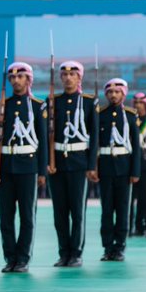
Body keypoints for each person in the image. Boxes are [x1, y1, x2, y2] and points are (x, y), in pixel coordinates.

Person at [0, 62, 48, 274]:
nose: (16, 81)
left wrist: (42, 171)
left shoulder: (37, 106)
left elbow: (42, 141)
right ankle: (10, 257)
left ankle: (22, 258)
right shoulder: (3, 105)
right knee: (6, 217)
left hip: (28, 166)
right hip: (5, 166)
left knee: (26, 216)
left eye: (20, 77)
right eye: (12, 78)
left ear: (29, 79)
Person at [49, 61, 98, 268]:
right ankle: (63, 252)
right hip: (57, 162)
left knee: (77, 211)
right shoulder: (54, 102)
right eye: (64, 74)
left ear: (79, 78)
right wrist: (48, 162)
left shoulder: (89, 102)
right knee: (59, 212)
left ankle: (76, 253)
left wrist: (92, 164)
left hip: (79, 161)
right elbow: (47, 135)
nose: (68, 78)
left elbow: (94, 136)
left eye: (72, 74)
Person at [94, 78, 140, 262]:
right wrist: (94, 168)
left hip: (124, 168)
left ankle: (119, 247)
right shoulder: (100, 114)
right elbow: (95, 144)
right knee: (106, 210)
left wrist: (135, 171)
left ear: (123, 94)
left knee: (122, 209)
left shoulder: (130, 115)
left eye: (117, 92)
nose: (113, 95)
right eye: (110, 92)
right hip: (105, 167)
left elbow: (136, 146)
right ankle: (107, 247)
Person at [131, 93, 146, 238]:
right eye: (136, 102)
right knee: (131, 198)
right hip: (132, 164)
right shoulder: (131, 120)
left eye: (141, 102)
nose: (138, 105)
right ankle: (134, 225)